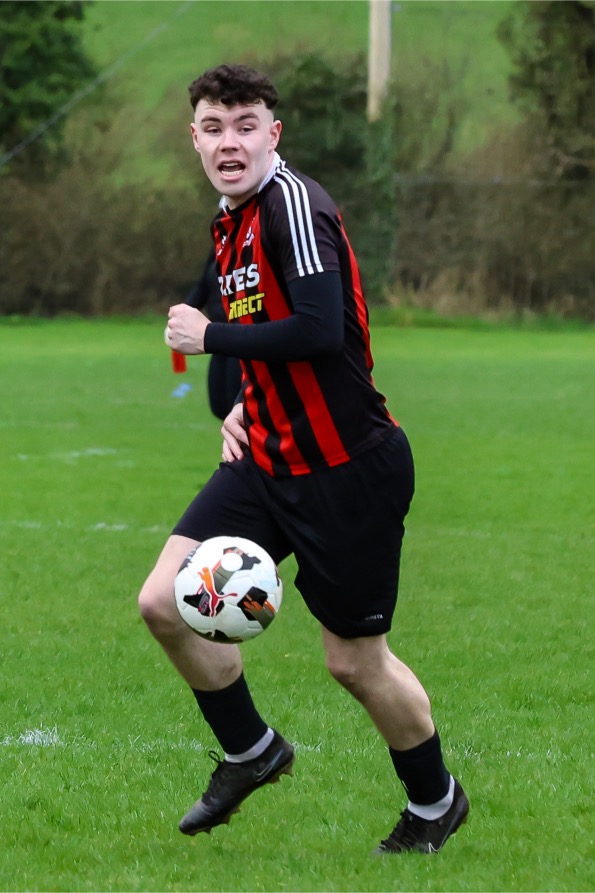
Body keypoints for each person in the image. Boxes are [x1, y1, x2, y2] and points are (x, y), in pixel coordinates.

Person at [139, 63, 469, 855]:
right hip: (267, 458)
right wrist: (241, 402)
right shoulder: (231, 219)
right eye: (213, 127)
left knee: (353, 662)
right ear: (193, 139)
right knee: (162, 601)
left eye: (245, 125)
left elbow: (321, 330)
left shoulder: (292, 204)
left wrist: (208, 335)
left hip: (346, 470)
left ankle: (435, 801)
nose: (229, 142)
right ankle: (252, 751)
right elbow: (277, 334)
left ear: (272, 134)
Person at [185, 247, 242, 420]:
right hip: (217, 338)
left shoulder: (255, 242)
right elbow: (204, 284)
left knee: (236, 405)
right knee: (219, 406)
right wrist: (183, 313)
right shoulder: (220, 243)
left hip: (243, 339)